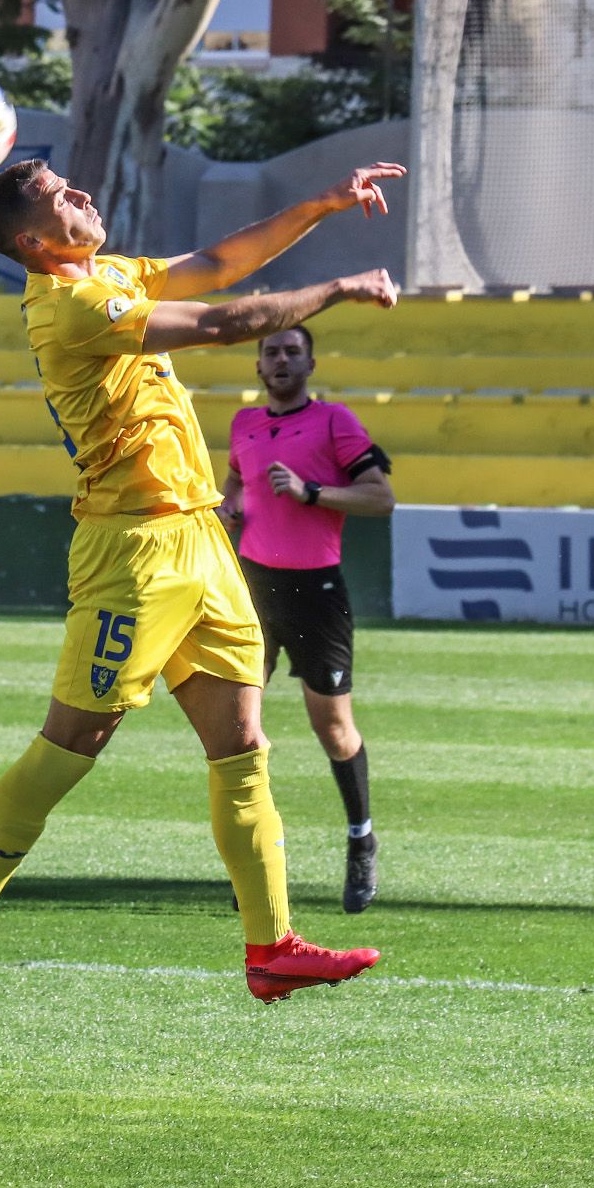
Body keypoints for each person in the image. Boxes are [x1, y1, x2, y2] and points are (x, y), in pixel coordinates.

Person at [0, 157, 406, 1018]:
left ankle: (271, 947)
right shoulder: (72, 304)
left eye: (75, 182)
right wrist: (336, 287)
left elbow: (219, 264)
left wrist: (324, 205)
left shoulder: (107, 273)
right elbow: (226, 320)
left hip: (203, 538)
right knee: (74, 743)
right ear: (34, 241)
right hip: (131, 551)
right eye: (62, 196)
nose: (82, 193)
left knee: (245, 744)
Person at [217, 327, 395, 914]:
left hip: (317, 592)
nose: (282, 359)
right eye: (272, 351)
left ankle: (361, 838)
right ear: (259, 366)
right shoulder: (244, 425)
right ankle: (254, 862)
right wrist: (228, 509)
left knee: (333, 729)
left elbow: (380, 497)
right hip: (254, 590)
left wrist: (311, 492)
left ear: (311, 362)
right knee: (237, 726)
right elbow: (235, 487)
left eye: (293, 351)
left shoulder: (333, 422)